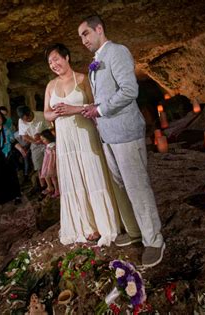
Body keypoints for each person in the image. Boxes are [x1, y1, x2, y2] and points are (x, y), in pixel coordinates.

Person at [79, 15, 165, 267]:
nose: (83, 40)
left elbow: (129, 90)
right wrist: (94, 111)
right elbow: (104, 96)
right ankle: (136, 231)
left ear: (99, 29)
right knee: (121, 186)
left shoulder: (117, 52)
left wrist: (100, 110)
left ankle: (154, 240)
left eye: (85, 33)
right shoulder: (96, 62)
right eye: (80, 37)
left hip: (126, 131)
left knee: (137, 186)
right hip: (108, 134)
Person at [44, 43, 128, 247]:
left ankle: (104, 224)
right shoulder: (50, 86)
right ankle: (86, 226)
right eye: (50, 62)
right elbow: (46, 113)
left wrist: (73, 109)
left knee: (93, 174)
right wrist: (56, 113)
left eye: (56, 59)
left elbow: (96, 106)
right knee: (73, 178)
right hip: (65, 139)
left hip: (84, 134)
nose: (54, 64)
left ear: (67, 57)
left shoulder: (82, 79)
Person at [0, 110, 26, 205]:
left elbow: (13, 141)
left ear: (2, 119)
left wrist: (22, 150)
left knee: (11, 176)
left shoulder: (6, 129)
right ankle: (1, 198)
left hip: (7, 157)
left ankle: (16, 196)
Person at [17, 106, 49, 190]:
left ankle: (54, 186)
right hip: (34, 143)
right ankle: (43, 187)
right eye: (26, 120)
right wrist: (34, 142)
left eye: (29, 118)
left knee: (50, 164)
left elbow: (50, 128)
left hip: (46, 140)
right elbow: (24, 136)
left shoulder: (41, 115)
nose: (28, 120)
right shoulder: (21, 121)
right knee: (38, 166)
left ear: (31, 112)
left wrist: (42, 137)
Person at [39, 129, 59, 198]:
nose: (43, 141)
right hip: (48, 164)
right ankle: (55, 189)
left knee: (54, 178)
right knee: (53, 178)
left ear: (48, 137)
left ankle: (56, 190)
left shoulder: (52, 146)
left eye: (43, 139)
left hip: (51, 164)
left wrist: (50, 166)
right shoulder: (49, 145)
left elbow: (52, 157)